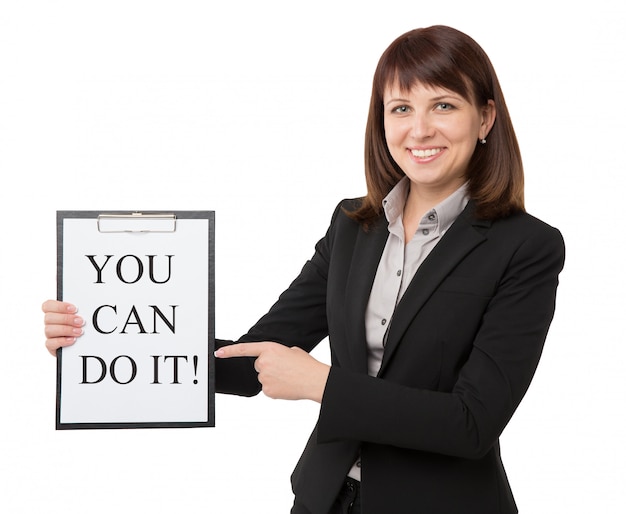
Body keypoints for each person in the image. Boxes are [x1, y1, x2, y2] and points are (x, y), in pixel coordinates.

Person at [43, 25, 565, 514]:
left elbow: (472, 423)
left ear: (486, 119)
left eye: (444, 105)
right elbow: (255, 359)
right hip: (325, 497)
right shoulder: (352, 226)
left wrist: (322, 385)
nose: (419, 129)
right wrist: (106, 341)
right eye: (401, 107)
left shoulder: (526, 247)